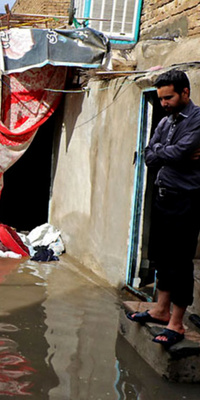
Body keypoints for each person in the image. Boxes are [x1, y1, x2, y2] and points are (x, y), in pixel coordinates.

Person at [127, 69, 200, 346]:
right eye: (160, 99)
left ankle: (177, 323)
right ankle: (161, 309)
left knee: (180, 260)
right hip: (163, 197)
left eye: (168, 98)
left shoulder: (197, 119)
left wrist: (168, 153)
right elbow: (149, 156)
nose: (163, 103)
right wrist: (168, 153)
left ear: (185, 92)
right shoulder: (166, 120)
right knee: (162, 257)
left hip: (186, 199)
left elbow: (180, 152)